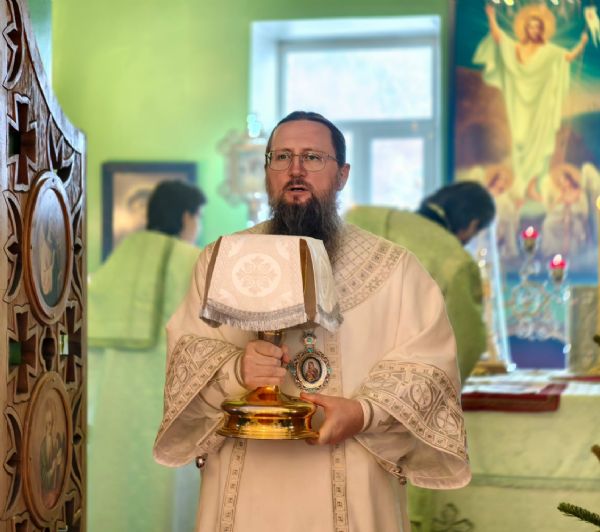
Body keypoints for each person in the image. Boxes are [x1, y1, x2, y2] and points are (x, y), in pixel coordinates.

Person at [153, 111, 471, 531]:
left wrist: (364, 413)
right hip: (246, 489)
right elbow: (185, 354)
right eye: (282, 157)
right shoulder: (221, 259)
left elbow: (430, 368)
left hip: (354, 487)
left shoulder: (395, 269)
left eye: (313, 157)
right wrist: (236, 370)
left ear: (342, 174)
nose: (296, 170)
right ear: (267, 170)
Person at [87, 179, 206, 532]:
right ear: (186, 217)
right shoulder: (192, 259)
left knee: (117, 478)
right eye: (198, 217)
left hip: (116, 394)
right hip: (171, 390)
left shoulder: (122, 256)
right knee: (167, 486)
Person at [346, 181, 496, 383]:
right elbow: (465, 345)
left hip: (330, 369)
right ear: (472, 225)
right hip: (395, 386)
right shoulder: (457, 262)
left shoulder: (359, 217)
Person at [476, 4, 588, 202]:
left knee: (539, 146)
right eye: (531, 26)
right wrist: (492, 17)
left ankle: (531, 187)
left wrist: (582, 43)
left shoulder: (549, 51)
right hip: (519, 105)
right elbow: (499, 38)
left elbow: (569, 57)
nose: (534, 30)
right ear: (525, 28)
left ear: (542, 30)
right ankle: (520, 186)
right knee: (520, 142)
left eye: (537, 27)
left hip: (541, 107)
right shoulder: (516, 48)